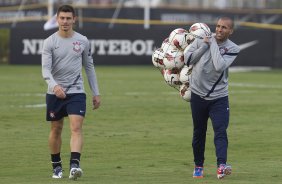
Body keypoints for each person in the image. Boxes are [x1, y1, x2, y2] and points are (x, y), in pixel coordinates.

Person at [41, 4, 101, 180]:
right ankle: (56, 166)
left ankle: (74, 166)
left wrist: (96, 93)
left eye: (68, 18)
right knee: (56, 129)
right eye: (62, 18)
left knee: (76, 127)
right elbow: (45, 70)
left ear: (74, 19)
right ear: (57, 19)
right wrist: (54, 86)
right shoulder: (49, 42)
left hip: (76, 91)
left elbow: (89, 67)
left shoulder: (82, 41)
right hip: (55, 93)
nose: (65, 21)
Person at [184, 17, 240, 179]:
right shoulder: (202, 39)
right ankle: (198, 166)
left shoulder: (233, 48)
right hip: (198, 95)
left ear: (231, 31)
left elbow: (219, 65)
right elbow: (188, 60)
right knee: (199, 132)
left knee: (220, 131)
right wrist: (204, 45)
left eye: (224, 27)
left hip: (219, 98)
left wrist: (213, 42)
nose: (219, 29)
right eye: (218, 26)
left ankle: (221, 166)